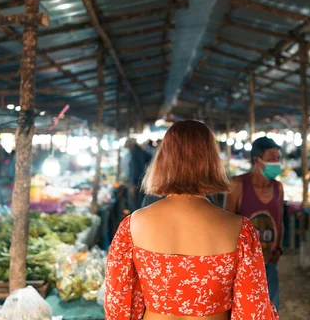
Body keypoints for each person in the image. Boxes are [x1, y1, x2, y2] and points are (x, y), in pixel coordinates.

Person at [105, 121, 279, 319]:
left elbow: (119, 305)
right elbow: (253, 310)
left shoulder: (132, 226)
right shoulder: (241, 230)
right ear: (212, 162)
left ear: (162, 161)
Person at [224, 137, 284, 312]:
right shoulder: (237, 185)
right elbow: (227, 224)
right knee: (244, 310)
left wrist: (278, 249)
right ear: (257, 161)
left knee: (271, 308)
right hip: (243, 265)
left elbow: (279, 221)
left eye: (278, 158)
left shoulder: (278, 187)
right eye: (272, 158)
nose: (277, 163)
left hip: (270, 262)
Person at [124, 139, 149, 213]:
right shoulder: (139, 151)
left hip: (136, 181)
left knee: (135, 204)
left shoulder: (135, 154)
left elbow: (135, 170)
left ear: (130, 146)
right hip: (140, 180)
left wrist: (133, 185)